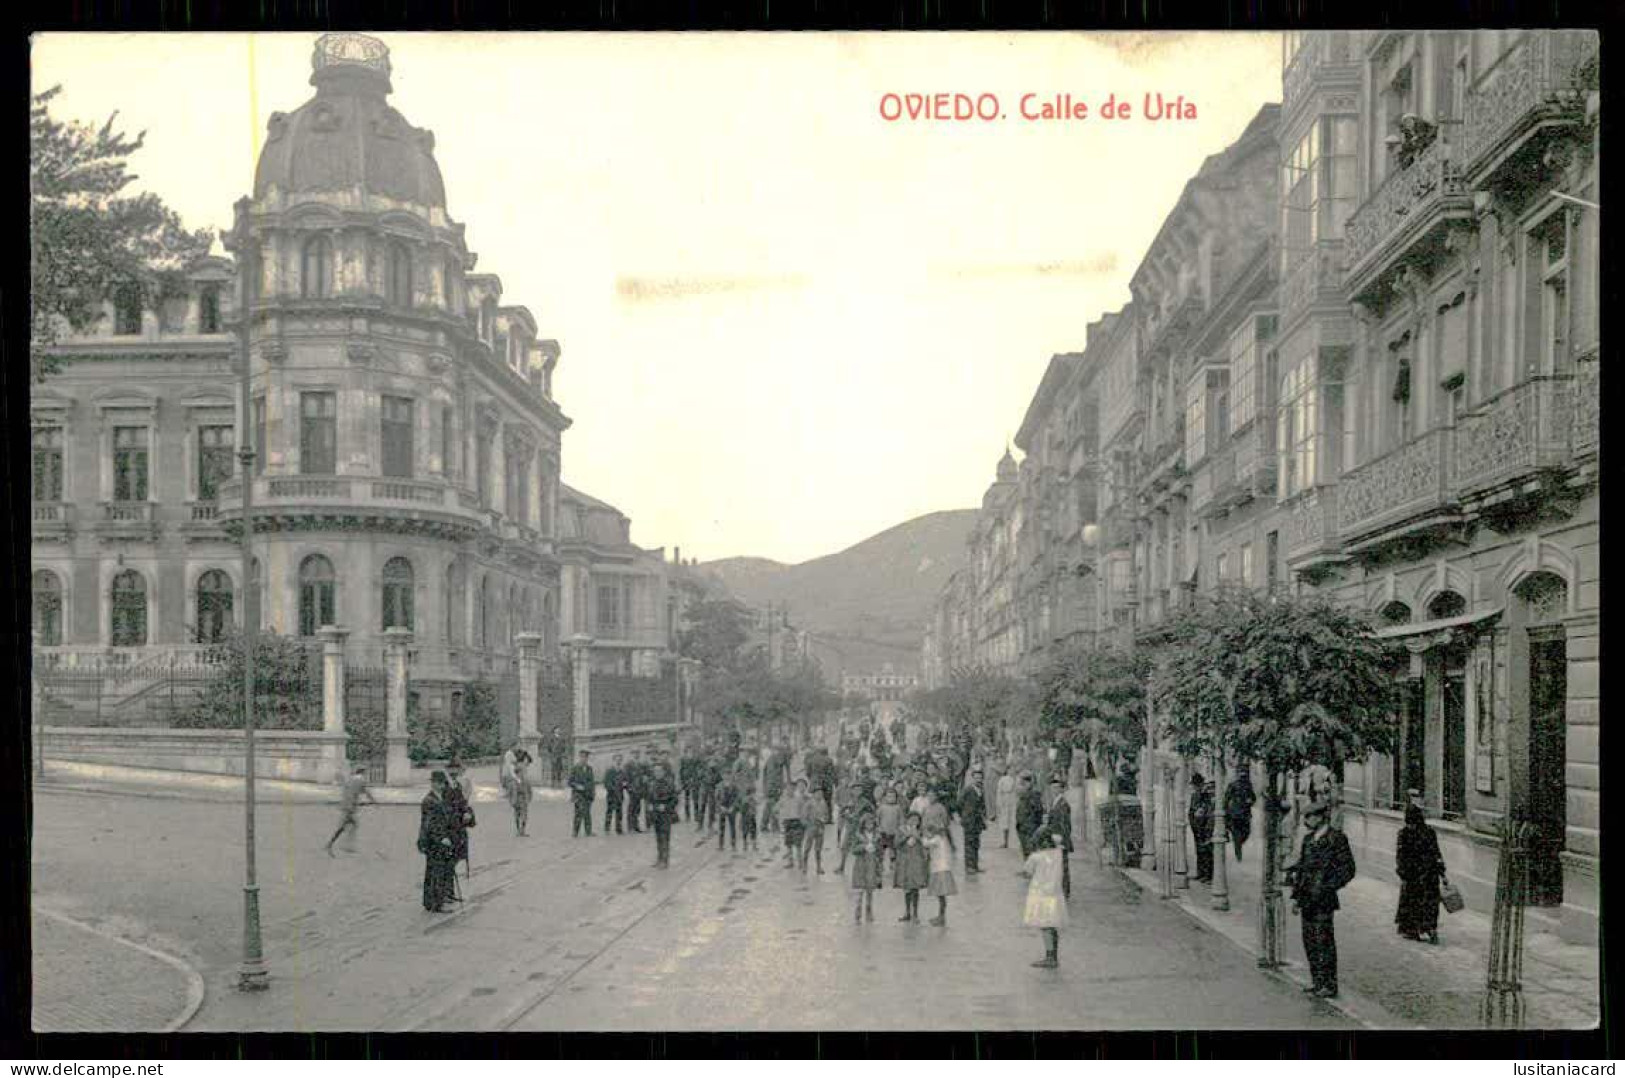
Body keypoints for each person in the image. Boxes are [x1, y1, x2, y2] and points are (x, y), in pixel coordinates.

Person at [1286, 798, 1357, 998]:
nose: (1306, 821)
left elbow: (1348, 869)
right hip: (1307, 898)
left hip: (1324, 899)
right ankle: (1317, 981)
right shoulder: (1308, 840)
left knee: (1324, 941)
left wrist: (1329, 886)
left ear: (1320, 817)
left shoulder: (1337, 839)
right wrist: (1296, 898)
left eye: (1309, 817)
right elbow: (1302, 871)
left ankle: (1329, 984)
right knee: (1309, 941)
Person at [1394, 803, 1447, 944]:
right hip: (1428, 875)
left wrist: (1402, 872)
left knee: (1416, 902)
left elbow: (1401, 856)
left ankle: (1417, 929)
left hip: (1416, 875)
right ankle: (1428, 929)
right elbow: (1437, 854)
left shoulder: (1404, 834)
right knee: (1429, 904)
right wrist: (1442, 872)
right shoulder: (1429, 832)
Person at [1024, 825, 1069, 969]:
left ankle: (1050, 957)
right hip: (1055, 893)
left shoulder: (1036, 857)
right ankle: (1054, 954)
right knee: (1053, 926)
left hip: (1041, 894)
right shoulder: (1058, 853)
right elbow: (1058, 838)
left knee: (1045, 926)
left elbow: (1027, 871)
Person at [417, 771, 460, 912]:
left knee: (436, 870)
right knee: (436, 871)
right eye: (440, 783)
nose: (442, 785)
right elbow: (431, 824)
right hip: (434, 841)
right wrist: (442, 838)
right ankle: (435, 903)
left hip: (436, 840)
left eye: (443, 783)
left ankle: (431, 901)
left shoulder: (438, 798)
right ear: (434, 783)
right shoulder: (430, 801)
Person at [326, 765, 376, 856]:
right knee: (350, 825)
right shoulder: (361, 780)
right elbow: (366, 792)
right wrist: (373, 801)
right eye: (365, 773)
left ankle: (337, 844)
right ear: (362, 772)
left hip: (346, 804)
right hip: (350, 807)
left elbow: (349, 790)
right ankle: (342, 845)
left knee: (348, 825)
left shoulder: (350, 779)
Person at [893, 812, 929, 921]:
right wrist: (907, 836)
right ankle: (907, 912)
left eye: (917, 820)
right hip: (905, 862)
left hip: (917, 862)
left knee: (915, 888)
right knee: (906, 888)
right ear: (907, 819)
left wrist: (917, 836)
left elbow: (926, 844)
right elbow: (896, 844)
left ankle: (915, 913)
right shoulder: (901, 830)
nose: (914, 822)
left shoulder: (921, 832)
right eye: (912, 819)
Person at [848, 812, 882, 923]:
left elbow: (880, 851)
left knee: (870, 891)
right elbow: (853, 849)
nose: (869, 825)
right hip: (860, 865)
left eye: (871, 823)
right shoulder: (858, 836)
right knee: (859, 891)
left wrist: (876, 850)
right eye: (867, 823)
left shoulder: (877, 836)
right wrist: (864, 847)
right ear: (863, 824)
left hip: (872, 865)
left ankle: (869, 912)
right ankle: (857, 914)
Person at [1044, 777, 1074, 899]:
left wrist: (1062, 839)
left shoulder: (1063, 804)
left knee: (1063, 865)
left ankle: (1065, 890)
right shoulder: (1055, 802)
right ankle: (1060, 888)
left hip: (1059, 838)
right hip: (1054, 837)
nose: (1054, 790)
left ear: (1061, 789)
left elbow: (1065, 824)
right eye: (1052, 788)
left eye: (1056, 787)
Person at [648, 757, 680, 869]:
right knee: (658, 838)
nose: (657, 773)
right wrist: (650, 806)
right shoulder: (652, 784)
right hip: (656, 814)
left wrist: (666, 806)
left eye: (659, 771)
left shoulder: (669, 784)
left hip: (665, 815)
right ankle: (659, 858)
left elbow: (675, 799)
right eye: (655, 771)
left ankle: (665, 861)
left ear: (663, 772)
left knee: (665, 838)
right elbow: (650, 798)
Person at [924, 819, 957, 926]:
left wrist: (922, 836)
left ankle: (941, 917)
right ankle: (941, 916)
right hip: (943, 869)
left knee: (941, 896)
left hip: (939, 869)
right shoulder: (944, 839)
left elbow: (925, 843)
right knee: (941, 897)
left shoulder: (938, 839)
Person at [446, 759, 476, 875]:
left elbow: (465, 800)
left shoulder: (461, 783)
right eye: (451, 770)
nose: (453, 772)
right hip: (447, 819)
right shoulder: (444, 784)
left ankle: (456, 861)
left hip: (458, 818)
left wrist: (467, 812)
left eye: (456, 770)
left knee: (462, 839)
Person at [959, 767, 988, 875]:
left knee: (976, 843)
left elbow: (982, 805)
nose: (978, 780)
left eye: (980, 778)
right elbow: (959, 803)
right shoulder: (968, 790)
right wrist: (964, 815)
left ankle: (975, 865)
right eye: (976, 777)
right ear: (972, 778)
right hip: (969, 820)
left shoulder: (981, 790)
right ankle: (969, 866)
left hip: (977, 821)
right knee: (969, 843)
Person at [1224, 769, 1257, 861]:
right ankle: (1238, 852)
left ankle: (1238, 844)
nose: (1242, 778)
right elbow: (1226, 798)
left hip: (1244, 813)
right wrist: (1226, 810)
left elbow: (1254, 797)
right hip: (1236, 813)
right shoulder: (1233, 785)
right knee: (1237, 834)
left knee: (1246, 832)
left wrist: (1251, 801)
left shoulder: (1248, 785)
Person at [1188, 772, 1215, 884]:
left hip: (1205, 826)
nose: (1195, 787)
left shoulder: (1206, 795)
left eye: (1196, 785)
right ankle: (1200, 873)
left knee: (1207, 851)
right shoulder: (1194, 795)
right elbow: (1191, 810)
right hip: (1196, 826)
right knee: (1199, 851)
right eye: (1194, 785)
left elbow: (1208, 810)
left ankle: (1208, 876)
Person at [1016, 772, 1045, 864]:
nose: (1024, 784)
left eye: (1026, 782)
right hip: (1022, 827)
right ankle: (1027, 868)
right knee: (1025, 849)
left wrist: (1032, 826)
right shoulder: (1023, 794)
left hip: (1029, 827)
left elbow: (1038, 812)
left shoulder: (1034, 795)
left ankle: (1031, 871)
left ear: (1030, 783)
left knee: (1030, 849)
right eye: (1023, 782)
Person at [781, 778, 810, 869]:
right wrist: (781, 820)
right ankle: (790, 862)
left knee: (798, 844)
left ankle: (800, 863)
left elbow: (804, 810)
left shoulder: (799, 799)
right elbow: (779, 810)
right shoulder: (783, 799)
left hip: (797, 821)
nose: (789, 790)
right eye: (787, 788)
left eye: (791, 788)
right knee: (788, 844)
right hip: (787, 822)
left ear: (794, 789)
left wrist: (803, 820)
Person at [803, 785, 830, 874]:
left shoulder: (823, 803)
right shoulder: (809, 803)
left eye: (821, 793)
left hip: (820, 828)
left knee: (818, 849)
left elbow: (827, 815)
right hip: (811, 827)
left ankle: (818, 867)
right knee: (807, 848)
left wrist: (824, 820)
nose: (820, 795)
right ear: (813, 794)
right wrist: (808, 825)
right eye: (818, 793)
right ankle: (805, 866)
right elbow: (804, 817)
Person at [569, 749, 595, 837]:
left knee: (587, 813)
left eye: (586, 757)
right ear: (579, 757)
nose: (584, 759)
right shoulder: (575, 768)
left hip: (587, 794)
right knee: (578, 813)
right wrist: (577, 786)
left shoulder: (589, 769)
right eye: (582, 757)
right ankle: (575, 831)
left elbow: (592, 782)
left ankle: (588, 831)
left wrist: (592, 793)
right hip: (578, 795)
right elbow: (570, 782)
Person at [876, 786, 902, 873]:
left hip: (894, 832)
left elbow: (901, 820)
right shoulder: (882, 807)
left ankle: (893, 864)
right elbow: (877, 819)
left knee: (893, 849)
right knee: (881, 849)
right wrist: (879, 829)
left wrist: (899, 830)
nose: (891, 798)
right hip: (883, 832)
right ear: (885, 797)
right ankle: (880, 865)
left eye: (893, 796)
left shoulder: (898, 808)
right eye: (889, 796)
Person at [508, 749, 533, 837]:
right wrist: (529, 794)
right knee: (523, 814)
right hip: (521, 794)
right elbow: (526, 782)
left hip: (517, 795)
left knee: (517, 813)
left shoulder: (516, 767)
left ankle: (519, 830)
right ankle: (521, 831)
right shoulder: (521, 767)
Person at [602, 753, 626, 835]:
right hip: (611, 795)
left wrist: (625, 784)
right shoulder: (610, 771)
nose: (618, 762)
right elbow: (606, 783)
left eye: (620, 760)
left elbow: (625, 781)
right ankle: (607, 828)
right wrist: (612, 788)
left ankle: (618, 829)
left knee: (619, 812)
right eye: (617, 760)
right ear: (613, 760)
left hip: (620, 795)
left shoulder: (622, 771)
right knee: (609, 811)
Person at [626, 748, 648, 834]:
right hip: (632, 790)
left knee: (637, 809)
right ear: (631, 754)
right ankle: (630, 827)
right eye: (634, 753)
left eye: (637, 753)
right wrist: (629, 788)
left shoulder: (641, 764)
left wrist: (645, 778)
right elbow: (626, 778)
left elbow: (645, 774)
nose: (636, 755)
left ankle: (636, 826)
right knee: (631, 809)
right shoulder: (628, 765)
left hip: (639, 790)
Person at [996, 767, 1018, 849]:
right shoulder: (1002, 779)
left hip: (1011, 800)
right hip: (1004, 800)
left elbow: (1016, 791)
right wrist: (999, 802)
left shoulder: (1014, 779)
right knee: (1004, 822)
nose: (1011, 771)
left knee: (1012, 821)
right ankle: (1004, 841)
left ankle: (1012, 842)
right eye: (1010, 770)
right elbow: (999, 791)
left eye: (1012, 770)